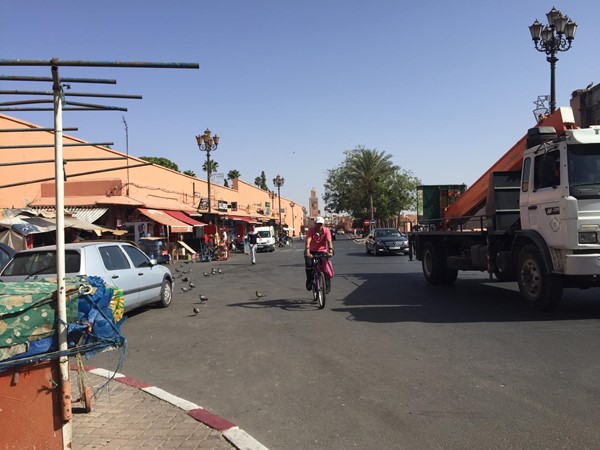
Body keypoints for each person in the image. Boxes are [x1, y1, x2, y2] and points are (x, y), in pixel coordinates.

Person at [304, 216, 334, 294]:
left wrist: (330, 251)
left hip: (322, 251)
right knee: (309, 265)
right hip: (311, 251)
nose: (319, 226)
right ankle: (309, 280)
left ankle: (327, 286)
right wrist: (307, 253)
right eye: (318, 224)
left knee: (325, 268)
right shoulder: (311, 230)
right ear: (315, 224)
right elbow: (308, 241)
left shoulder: (326, 230)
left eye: (321, 224)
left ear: (323, 224)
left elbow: (329, 241)